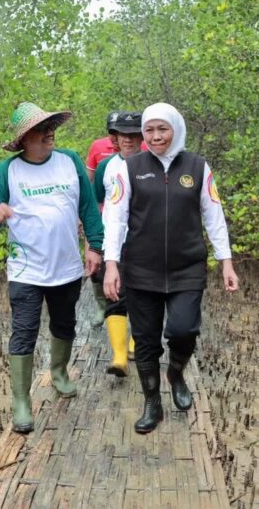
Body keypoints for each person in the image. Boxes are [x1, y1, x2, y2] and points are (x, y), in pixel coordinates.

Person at [102, 102, 239, 434]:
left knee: (183, 329)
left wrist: (226, 263)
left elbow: (213, 215)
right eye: (149, 130)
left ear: (176, 128)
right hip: (140, 269)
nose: (155, 136)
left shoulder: (198, 167)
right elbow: (116, 219)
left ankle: (176, 373)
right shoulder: (129, 168)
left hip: (186, 268)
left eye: (162, 129)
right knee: (146, 341)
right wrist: (111, 264)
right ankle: (152, 403)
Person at [0, 102, 104, 434]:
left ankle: (60, 373)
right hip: (26, 269)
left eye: (51, 126)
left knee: (65, 322)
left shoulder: (71, 162)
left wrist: (95, 245)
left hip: (66, 266)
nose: (49, 133)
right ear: (24, 139)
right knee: (24, 331)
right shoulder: (9, 170)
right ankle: (21, 401)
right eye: (40, 129)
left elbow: (88, 206)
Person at [93, 111, 143, 377]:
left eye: (135, 134)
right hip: (114, 242)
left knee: (143, 294)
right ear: (116, 137)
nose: (129, 140)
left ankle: (136, 342)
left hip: (146, 241)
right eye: (124, 134)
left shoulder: (153, 164)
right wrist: (94, 243)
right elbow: (97, 201)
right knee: (114, 294)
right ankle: (119, 356)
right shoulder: (106, 167)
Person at [85, 111, 122, 327]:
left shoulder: (140, 147)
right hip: (101, 216)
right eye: (113, 132)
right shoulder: (98, 147)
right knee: (96, 267)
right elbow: (89, 184)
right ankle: (102, 306)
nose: (118, 137)